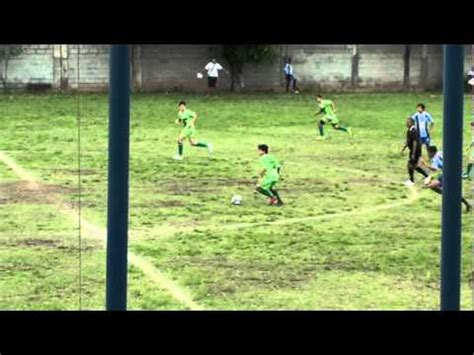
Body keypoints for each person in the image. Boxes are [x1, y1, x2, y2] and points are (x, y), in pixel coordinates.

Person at [422, 145, 471, 212]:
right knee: (454, 192)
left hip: (450, 174)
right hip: (454, 171)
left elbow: (434, 169)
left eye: (428, 153)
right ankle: (467, 204)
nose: (428, 155)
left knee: (432, 186)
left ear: (431, 152)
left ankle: (448, 197)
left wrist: (425, 165)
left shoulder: (436, 158)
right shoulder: (440, 153)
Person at [401, 117, 429, 186]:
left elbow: (415, 143)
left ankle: (411, 181)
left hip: (416, 151)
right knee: (414, 166)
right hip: (413, 150)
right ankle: (427, 176)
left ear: (412, 123)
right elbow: (408, 141)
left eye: (408, 122)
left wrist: (413, 153)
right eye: (406, 122)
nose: (406, 123)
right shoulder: (409, 130)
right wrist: (403, 149)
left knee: (410, 165)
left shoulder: (414, 131)